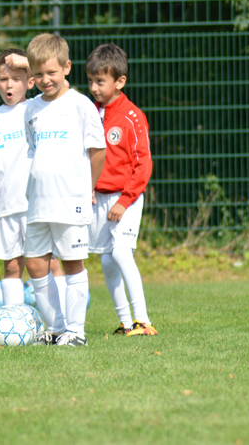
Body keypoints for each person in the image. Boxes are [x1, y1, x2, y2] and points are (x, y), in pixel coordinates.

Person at [22, 33, 106, 346]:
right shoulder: (31, 109)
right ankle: (56, 327)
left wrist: (88, 187)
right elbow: (33, 150)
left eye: (51, 72)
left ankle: (76, 332)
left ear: (67, 67)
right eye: (38, 74)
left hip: (70, 199)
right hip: (38, 201)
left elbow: (98, 151)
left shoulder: (81, 105)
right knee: (35, 263)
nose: (45, 80)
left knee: (72, 264)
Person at [0, 48, 66, 306]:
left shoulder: (37, 107)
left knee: (50, 262)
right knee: (12, 266)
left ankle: (62, 315)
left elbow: (62, 87)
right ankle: (13, 317)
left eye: (16, 79)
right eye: (4, 79)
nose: (9, 85)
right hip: (6, 205)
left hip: (37, 204)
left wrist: (28, 62)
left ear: (30, 82)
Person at [86, 43, 157, 336]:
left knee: (121, 252)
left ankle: (143, 320)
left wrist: (124, 200)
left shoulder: (132, 116)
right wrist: (88, 187)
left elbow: (143, 164)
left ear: (120, 81)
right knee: (106, 258)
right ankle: (126, 323)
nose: (93, 88)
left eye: (100, 81)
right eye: (90, 81)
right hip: (99, 197)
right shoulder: (91, 113)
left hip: (126, 197)